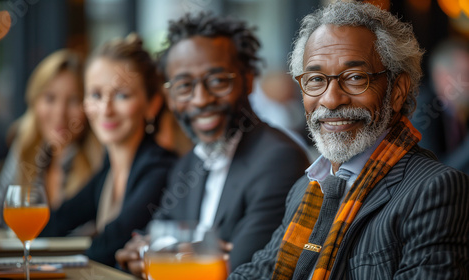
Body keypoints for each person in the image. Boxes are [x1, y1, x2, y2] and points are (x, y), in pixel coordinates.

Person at [230, 2, 469, 279]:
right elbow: (261, 271)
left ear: (398, 90)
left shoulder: (436, 189)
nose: (331, 100)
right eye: (316, 79)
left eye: (355, 77)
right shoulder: (306, 188)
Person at [115, 12, 310, 277]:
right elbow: (141, 245)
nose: (200, 99)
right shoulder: (188, 164)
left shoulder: (278, 159)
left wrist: (162, 256)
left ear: (249, 80)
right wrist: (185, 253)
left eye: (218, 81)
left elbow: (241, 269)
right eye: (184, 86)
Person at [40, 34, 177, 266]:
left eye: (122, 95)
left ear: (152, 104)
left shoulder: (159, 168)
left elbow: (110, 244)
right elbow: (58, 222)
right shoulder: (109, 170)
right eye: (95, 94)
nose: (106, 109)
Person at [0, 49, 103, 232]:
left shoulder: (100, 159)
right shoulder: (25, 148)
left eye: (73, 100)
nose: (60, 113)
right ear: (35, 102)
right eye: (50, 98)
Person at [412, 38, 469, 174]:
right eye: (465, 74)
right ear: (442, 76)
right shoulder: (421, 109)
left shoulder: (456, 108)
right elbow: (434, 173)